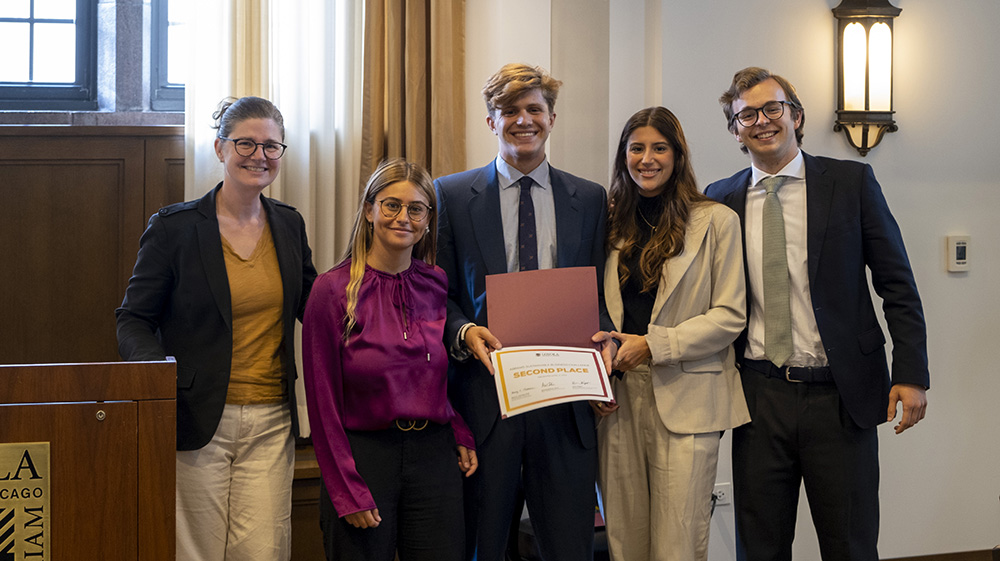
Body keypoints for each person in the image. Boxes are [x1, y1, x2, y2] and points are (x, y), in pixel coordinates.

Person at [705, 67, 929, 561]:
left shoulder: (850, 182)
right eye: (746, 114)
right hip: (757, 399)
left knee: (850, 545)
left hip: (840, 396)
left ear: (796, 115)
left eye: (772, 108)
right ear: (734, 130)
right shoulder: (718, 201)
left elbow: (897, 285)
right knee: (759, 549)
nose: (761, 121)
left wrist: (911, 373)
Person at [116, 96, 317, 560]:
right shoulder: (174, 228)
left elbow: (315, 302)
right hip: (196, 415)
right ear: (220, 148)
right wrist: (158, 374)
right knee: (196, 552)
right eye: (245, 142)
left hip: (272, 420)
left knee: (264, 551)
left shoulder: (288, 224)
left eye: (271, 146)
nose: (259, 155)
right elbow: (133, 319)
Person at [435, 63, 615, 561]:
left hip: (567, 403)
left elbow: (598, 295)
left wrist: (607, 355)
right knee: (482, 547)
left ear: (552, 118)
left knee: (568, 548)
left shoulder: (590, 198)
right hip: (485, 401)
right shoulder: (449, 195)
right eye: (508, 110)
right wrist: (464, 330)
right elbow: (438, 293)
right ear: (491, 122)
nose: (522, 120)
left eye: (534, 109)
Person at [593, 106, 750, 561]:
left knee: (677, 542)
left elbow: (729, 315)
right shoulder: (607, 223)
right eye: (636, 147)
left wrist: (653, 345)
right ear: (624, 155)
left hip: (688, 395)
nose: (647, 158)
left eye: (659, 147)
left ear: (678, 154)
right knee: (624, 539)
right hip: (617, 400)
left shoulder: (716, 221)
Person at [302, 158, 478, 561]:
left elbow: (434, 378)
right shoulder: (331, 291)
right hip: (365, 458)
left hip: (434, 456)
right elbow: (322, 401)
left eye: (416, 208)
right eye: (391, 205)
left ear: (429, 219)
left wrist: (460, 430)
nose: (404, 217)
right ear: (369, 210)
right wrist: (347, 489)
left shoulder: (435, 282)